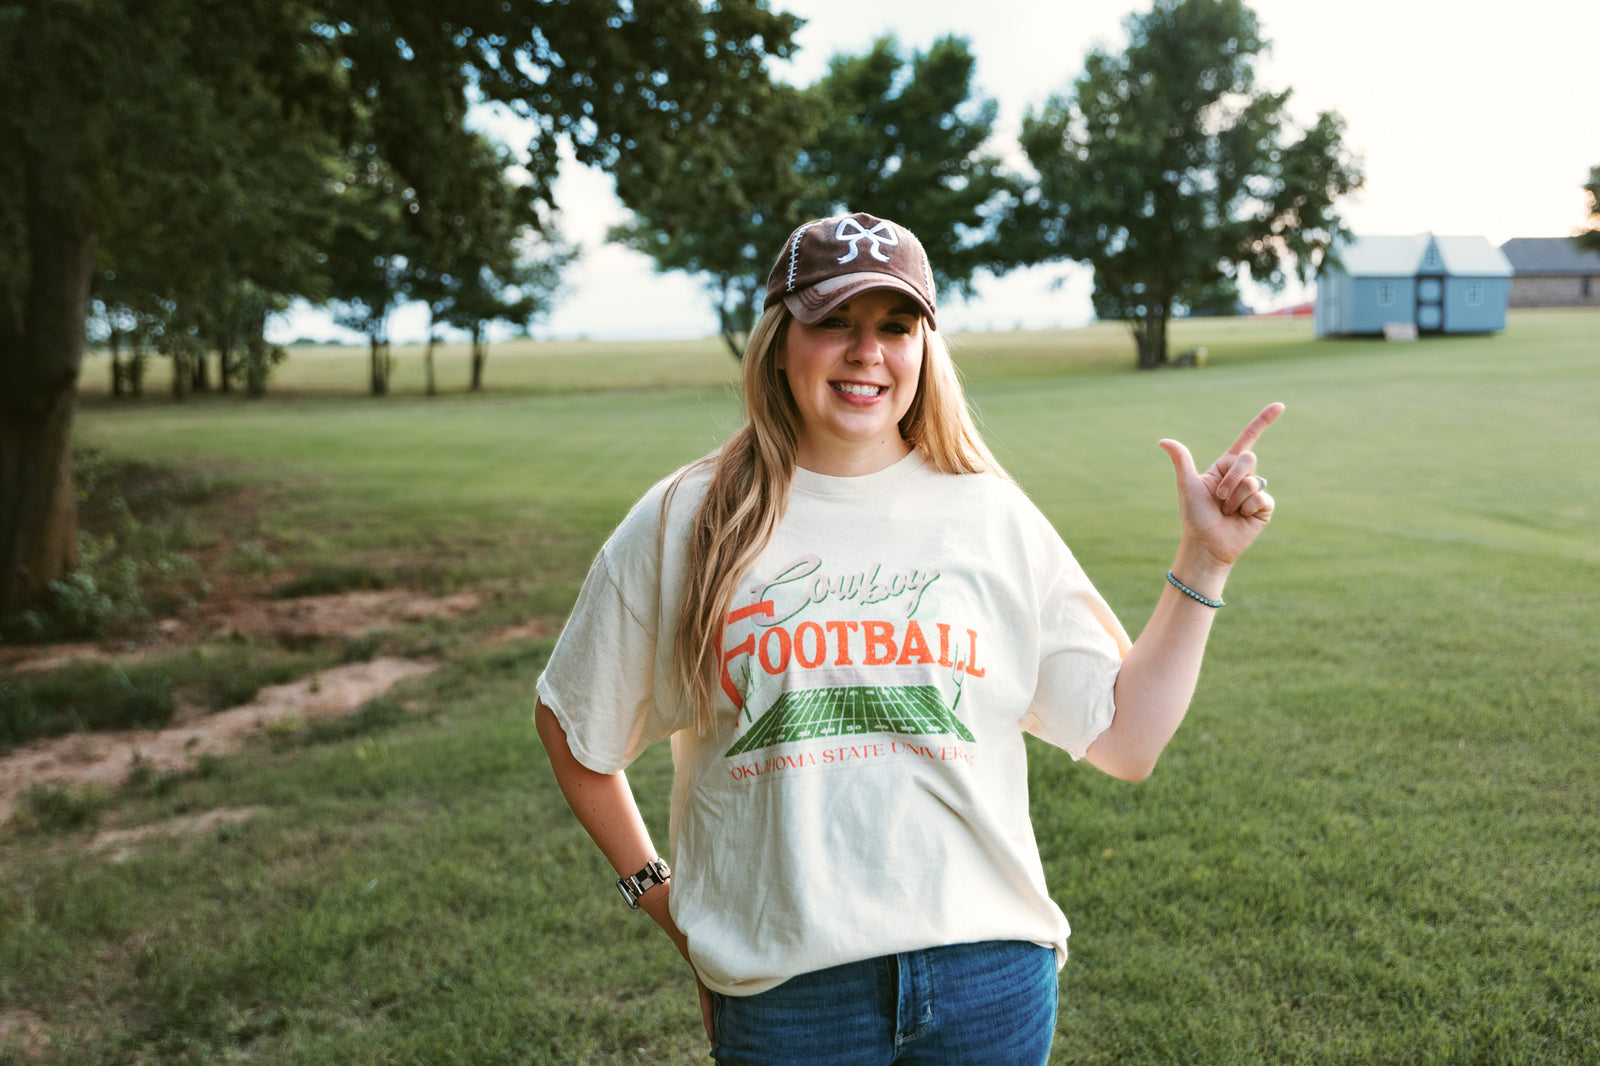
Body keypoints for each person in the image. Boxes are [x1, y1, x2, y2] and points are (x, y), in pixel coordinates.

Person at [535, 211, 1281, 1065]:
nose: (867, 352)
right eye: (833, 323)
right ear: (781, 340)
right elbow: (573, 725)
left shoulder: (989, 513)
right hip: (791, 999)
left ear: (927, 348)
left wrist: (1206, 559)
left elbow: (1126, 739)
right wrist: (659, 897)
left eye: (895, 326)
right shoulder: (687, 521)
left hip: (990, 979)